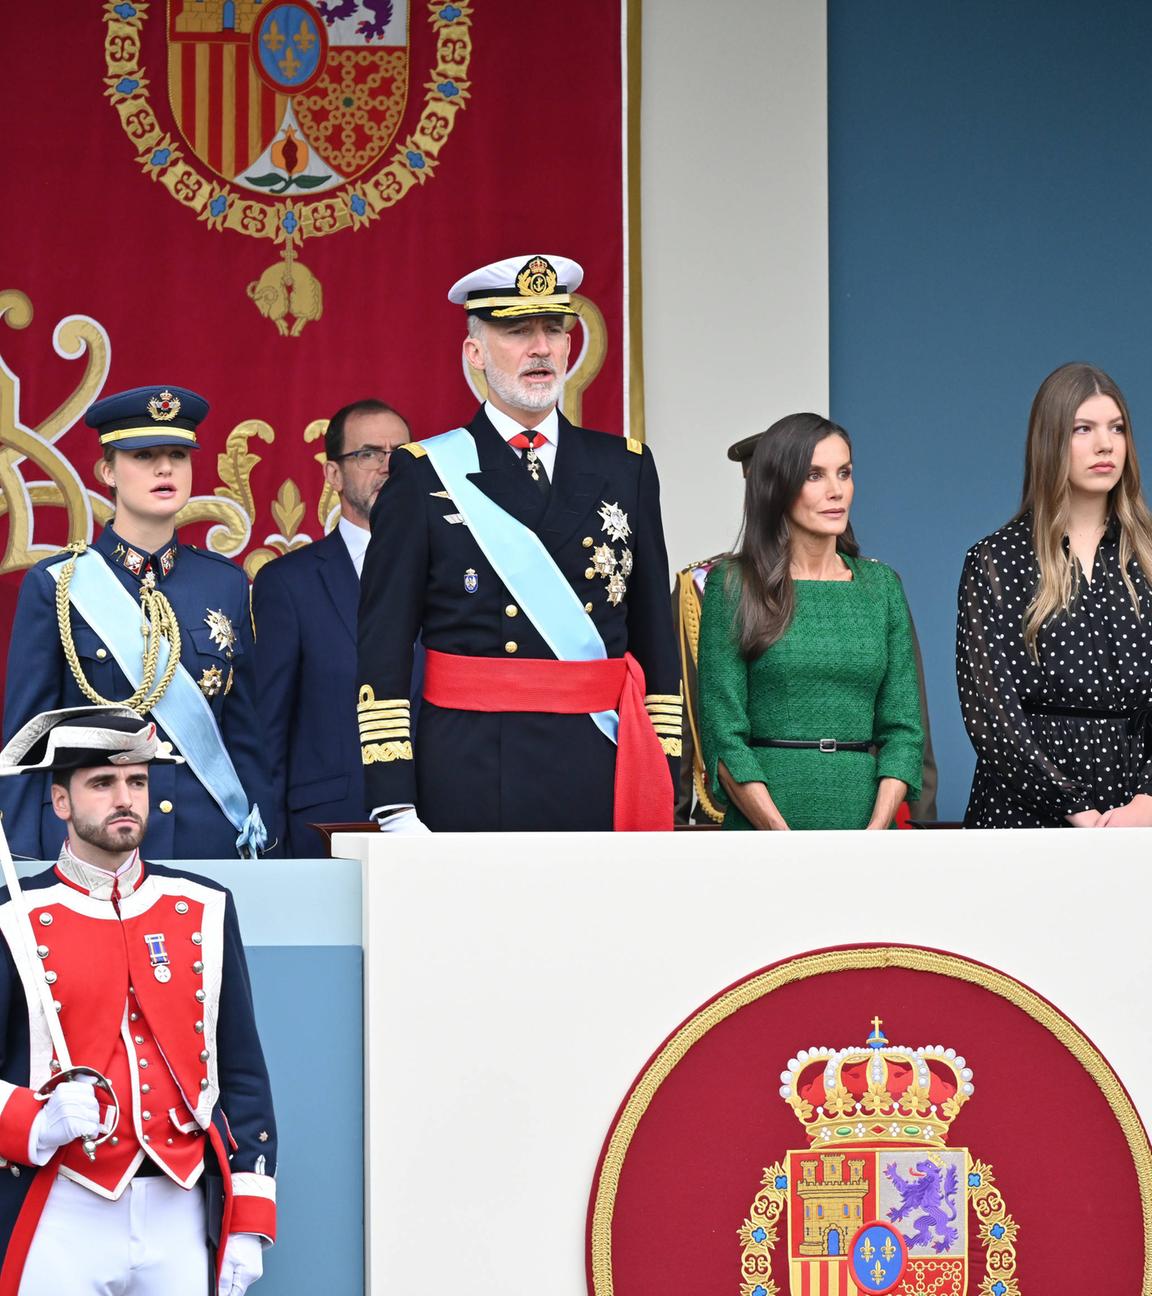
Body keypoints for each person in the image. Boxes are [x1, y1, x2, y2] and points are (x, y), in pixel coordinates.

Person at [357, 253, 681, 832]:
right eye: (516, 331)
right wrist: (394, 803)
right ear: (475, 353)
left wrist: (665, 768)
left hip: (600, 760)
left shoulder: (625, 467)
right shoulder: (423, 472)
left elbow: (656, 633)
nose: (540, 348)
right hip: (471, 767)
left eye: (553, 329)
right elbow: (384, 645)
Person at [0, 705, 276, 1293]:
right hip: (61, 1204)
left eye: (138, 782)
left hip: (182, 1204)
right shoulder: (12, 915)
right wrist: (33, 1120)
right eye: (102, 783)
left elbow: (242, 1074)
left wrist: (250, 1219)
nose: (125, 798)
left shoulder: (204, 906)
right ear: (61, 801)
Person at [0, 386, 274, 861]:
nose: (165, 468)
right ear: (107, 471)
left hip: (208, 840)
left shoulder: (225, 583)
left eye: (178, 455)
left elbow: (245, 734)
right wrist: (26, 863)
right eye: (144, 456)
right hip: (95, 844)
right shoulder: (59, 584)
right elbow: (27, 740)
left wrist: (264, 839)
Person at [674, 428, 939, 825]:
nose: (837, 491)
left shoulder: (882, 586)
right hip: (763, 826)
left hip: (866, 827)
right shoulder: (731, 584)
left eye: (844, 473)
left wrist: (875, 835)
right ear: (776, 488)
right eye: (814, 475)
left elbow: (904, 732)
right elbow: (723, 736)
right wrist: (782, 838)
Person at [957, 362, 1152, 828]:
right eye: (1083, 429)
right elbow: (991, 710)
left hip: (1139, 810)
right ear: (1050, 441)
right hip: (1025, 810)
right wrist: (1073, 807)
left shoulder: (1147, 557)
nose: (1106, 444)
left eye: (1117, 428)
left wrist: (1148, 799)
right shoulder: (996, 560)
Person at [252, 398, 423, 856]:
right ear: (333, 474)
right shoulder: (289, 583)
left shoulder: (453, 572)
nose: (387, 466)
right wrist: (271, 852)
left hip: (442, 827)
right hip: (330, 826)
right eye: (368, 454)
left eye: (400, 454)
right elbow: (269, 733)